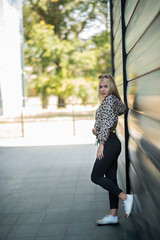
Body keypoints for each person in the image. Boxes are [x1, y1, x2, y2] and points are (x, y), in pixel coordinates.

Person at [91, 74, 133, 225]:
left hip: (109, 143)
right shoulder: (112, 101)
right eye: (101, 87)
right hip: (111, 141)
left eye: (106, 86)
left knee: (95, 176)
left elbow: (108, 124)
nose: (103, 89)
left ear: (112, 87)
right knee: (110, 179)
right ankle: (113, 215)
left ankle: (125, 197)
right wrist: (96, 130)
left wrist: (101, 142)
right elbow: (115, 115)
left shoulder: (109, 101)